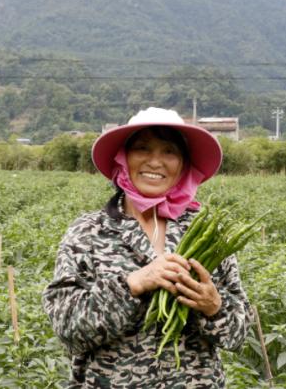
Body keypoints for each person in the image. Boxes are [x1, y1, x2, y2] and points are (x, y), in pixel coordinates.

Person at [42, 107, 252, 388]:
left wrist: (214, 306)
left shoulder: (207, 234)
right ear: (123, 158)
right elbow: (67, 328)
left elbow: (238, 334)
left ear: (183, 164)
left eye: (169, 151)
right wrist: (133, 283)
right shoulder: (88, 232)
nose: (155, 161)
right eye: (142, 148)